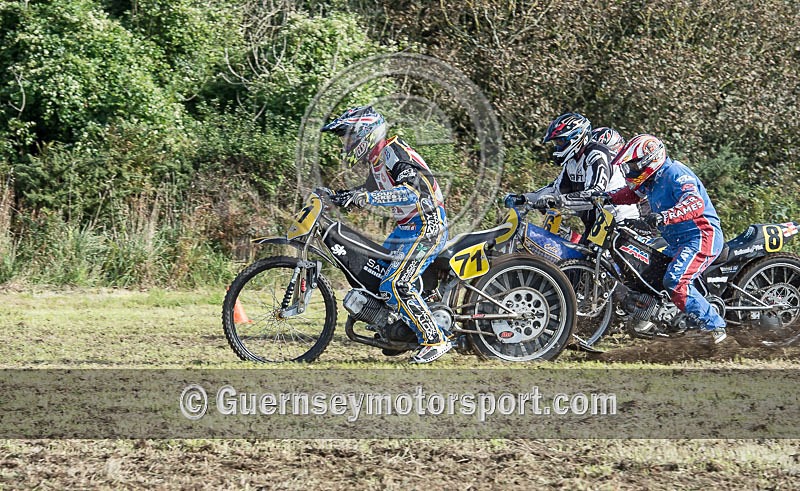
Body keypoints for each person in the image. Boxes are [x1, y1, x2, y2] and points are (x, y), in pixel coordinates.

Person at [321, 106, 452, 363]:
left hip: (427, 225)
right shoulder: (378, 163)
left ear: (364, 133)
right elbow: (366, 191)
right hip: (407, 228)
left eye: (348, 136)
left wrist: (365, 196)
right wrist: (337, 198)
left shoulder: (394, 152)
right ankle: (399, 331)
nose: (346, 144)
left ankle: (435, 339)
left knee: (395, 283)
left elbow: (412, 191)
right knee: (376, 275)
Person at [598, 134, 727, 344]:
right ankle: (654, 317)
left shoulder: (676, 174)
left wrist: (663, 216)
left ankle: (715, 328)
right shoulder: (651, 180)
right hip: (677, 242)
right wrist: (606, 197)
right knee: (648, 272)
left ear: (650, 160)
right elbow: (631, 195)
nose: (630, 171)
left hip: (701, 236)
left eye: (633, 166)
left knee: (675, 281)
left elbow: (695, 203)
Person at [505, 113, 638, 241]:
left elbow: (594, 195)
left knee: (591, 263)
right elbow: (555, 190)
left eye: (560, 142)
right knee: (570, 262)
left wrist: (557, 201)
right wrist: (523, 198)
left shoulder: (597, 155)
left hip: (619, 224)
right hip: (597, 226)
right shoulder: (572, 161)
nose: (557, 147)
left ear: (577, 137)